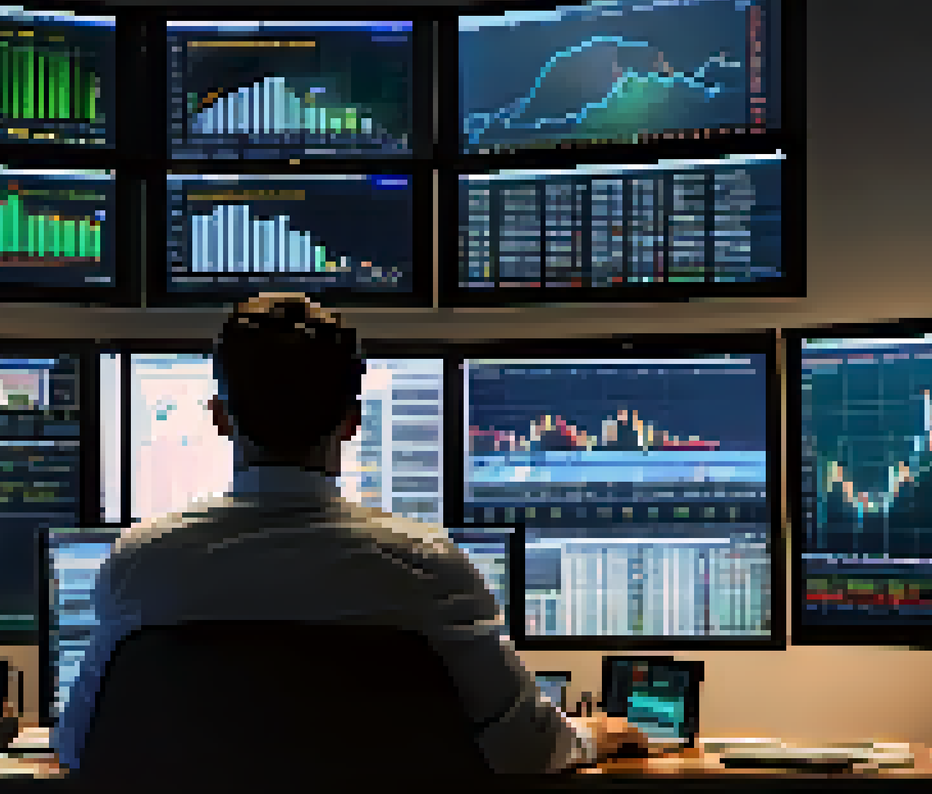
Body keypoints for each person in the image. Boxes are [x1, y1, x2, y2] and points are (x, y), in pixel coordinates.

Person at [53, 292, 648, 773]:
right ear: (353, 420)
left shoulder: (141, 565)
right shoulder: (429, 569)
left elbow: (81, 749)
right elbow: (524, 752)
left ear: (220, 418)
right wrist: (592, 736)